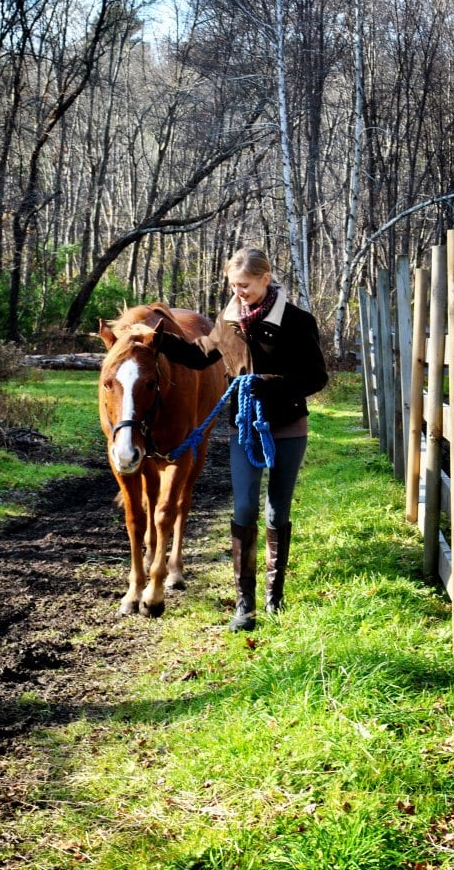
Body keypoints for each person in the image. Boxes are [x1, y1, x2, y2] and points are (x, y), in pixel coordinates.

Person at [160, 247, 328, 631]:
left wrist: (265, 384)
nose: (239, 292)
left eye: (246, 285)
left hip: (287, 428)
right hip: (243, 428)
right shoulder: (229, 319)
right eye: (234, 286)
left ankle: (274, 596)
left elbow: (317, 377)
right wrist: (160, 342)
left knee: (276, 511)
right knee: (244, 509)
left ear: (266, 279)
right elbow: (200, 355)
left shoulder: (298, 322)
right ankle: (244, 603)